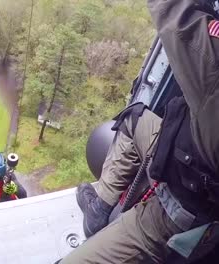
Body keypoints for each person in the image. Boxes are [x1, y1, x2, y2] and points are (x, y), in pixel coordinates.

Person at [58, 0, 219, 262]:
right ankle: (99, 209)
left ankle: (102, 212)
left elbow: (172, 11)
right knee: (135, 118)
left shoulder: (213, 71)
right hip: (189, 161)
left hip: (177, 213)